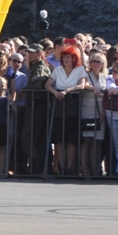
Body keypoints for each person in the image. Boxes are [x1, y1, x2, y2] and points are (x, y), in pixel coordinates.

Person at [44, 45, 87, 175]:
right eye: (64, 57)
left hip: (73, 105)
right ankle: (62, 167)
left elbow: (82, 84)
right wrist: (56, 92)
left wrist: (67, 91)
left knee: (71, 139)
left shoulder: (79, 69)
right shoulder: (57, 70)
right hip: (59, 104)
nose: (66, 59)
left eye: (68, 57)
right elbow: (47, 84)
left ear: (74, 58)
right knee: (60, 139)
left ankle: (70, 167)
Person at [19, 44, 51, 175]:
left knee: (28, 136)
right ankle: (37, 165)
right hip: (35, 104)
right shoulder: (35, 67)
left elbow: (38, 82)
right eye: (28, 53)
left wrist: (26, 88)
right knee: (35, 137)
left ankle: (37, 165)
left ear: (39, 54)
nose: (29, 55)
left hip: (38, 105)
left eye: (32, 53)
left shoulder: (40, 67)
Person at [80, 52, 107, 176]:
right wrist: (93, 88)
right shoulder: (86, 74)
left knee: (97, 141)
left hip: (100, 109)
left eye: (98, 62)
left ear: (102, 64)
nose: (95, 64)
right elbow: (83, 85)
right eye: (93, 61)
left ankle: (95, 169)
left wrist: (105, 111)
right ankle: (85, 169)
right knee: (87, 140)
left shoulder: (104, 76)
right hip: (87, 109)